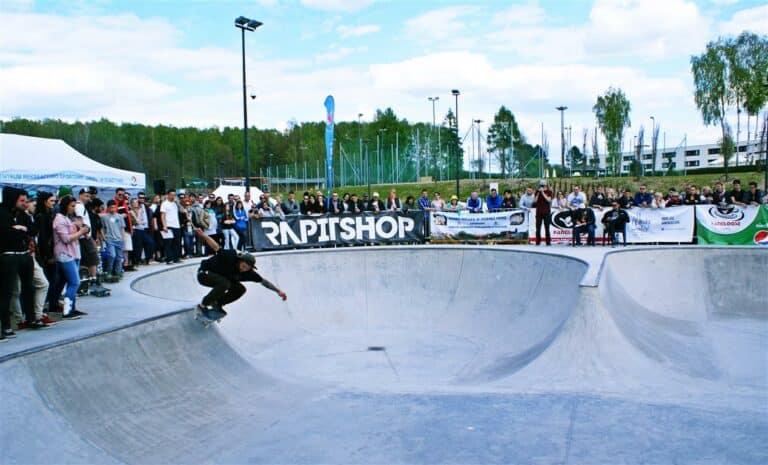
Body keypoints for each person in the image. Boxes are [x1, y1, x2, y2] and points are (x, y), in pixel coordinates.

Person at [193, 229, 287, 319]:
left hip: (221, 279)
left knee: (240, 289)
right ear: (240, 261)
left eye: (247, 268)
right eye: (243, 266)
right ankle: (202, 305)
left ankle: (217, 303)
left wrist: (278, 291)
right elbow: (216, 247)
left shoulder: (248, 273)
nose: (244, 269)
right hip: (204, 274)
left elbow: (263, 281)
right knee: (225, 283)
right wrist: (203, 235)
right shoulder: (230, 257)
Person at [1, 188, 50, 337]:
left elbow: (34, 230)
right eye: (21, 201)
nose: (25, 204)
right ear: (12, 199)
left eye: (25, 201)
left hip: (24, 254)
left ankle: (31, 318)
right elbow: (6, 234)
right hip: (7, 255)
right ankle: (6, 325)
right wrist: (22, 231)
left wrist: (21, 228)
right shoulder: (2, 213)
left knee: (29, 288)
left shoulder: (22, 215)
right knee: (7, 291)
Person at [53, 195, 89, 319]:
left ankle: (72, 308)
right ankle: (67, 310)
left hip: (73, 253)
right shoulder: (59, 220)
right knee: (75, 282)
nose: (73, 209)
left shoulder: (67, 218)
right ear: (65, 206)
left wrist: (79, 227)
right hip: (64, 254)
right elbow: (66, 238)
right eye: (72, 206)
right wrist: (80, 232)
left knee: (71, 282)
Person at [75, 189, 101, 286]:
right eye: (86, 196)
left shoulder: (82, 205)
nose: (88, 198)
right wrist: (86, 234)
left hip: (86, 235)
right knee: (92, 257)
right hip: (84, 236)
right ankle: (92, 278)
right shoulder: (78, 206)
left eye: (89, 196)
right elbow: (79, 220)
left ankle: (90, 278)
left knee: (89, 258)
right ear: (80, 195)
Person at [102, 200, 126, 281]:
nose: (113, 209)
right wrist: (104, 237)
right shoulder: (105, 217)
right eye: (111, 207)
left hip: (119, 239)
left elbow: (122, 228)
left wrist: (123, 239)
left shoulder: (119, 217)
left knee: (119, 257)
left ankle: (118, 272)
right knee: (112, 255)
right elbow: (102, 228)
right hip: (110, 239)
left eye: (114, 207)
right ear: (108, 208)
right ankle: (109, 271)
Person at [160, 190, 182, 264]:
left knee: (176, 243)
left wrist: (178, 203)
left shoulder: (175, 204)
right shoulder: (164, 204)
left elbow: (182, 211)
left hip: (176, 225)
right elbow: (162, 215)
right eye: (172, 195)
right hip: (169, 225)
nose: (173, 196)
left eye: (174, 195)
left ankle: (176, 258)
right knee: (168, 243)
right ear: (168, 195)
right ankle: (169, 259)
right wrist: (164, 225)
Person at [533, 180, 552, 246]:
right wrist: (538, 193)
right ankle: (538, 241)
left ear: (546, 185)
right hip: (539, 212)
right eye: (541, 186)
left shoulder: (549, 192)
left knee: (547, 227)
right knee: (538, 228)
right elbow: (534, 201)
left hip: (546, 212)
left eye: (543, 186)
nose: (542, 187)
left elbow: (548, 200)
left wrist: (543, 192)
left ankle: (548, 242)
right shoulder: (537, 192)